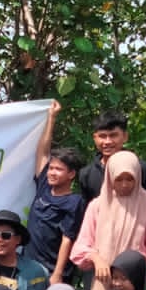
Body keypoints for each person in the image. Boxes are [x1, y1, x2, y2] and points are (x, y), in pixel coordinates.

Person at [71, 150, 146, 290]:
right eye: (119, 179)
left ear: (138, 176)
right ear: (109, 177)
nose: (124, 184)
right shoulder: (97, 205)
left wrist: (145, 272)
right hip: (104, 280)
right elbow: (81, 246)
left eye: (130, 179)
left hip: (136, 286)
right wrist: (97, 259)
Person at [28, 103, 87, 275]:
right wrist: (51, 117)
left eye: (58, 169)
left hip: (52, 269)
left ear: (71, 174)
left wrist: (57, 274)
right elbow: (43, 152)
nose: (52, 172)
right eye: (51, 168)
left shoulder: (74, 202)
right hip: (29, 266)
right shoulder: (44, 186)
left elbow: (67, 239)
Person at [77, 111, 146, 202]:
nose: (107, 142)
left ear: (125, 136)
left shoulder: (141, 169)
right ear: (95, 138)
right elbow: (86, 212)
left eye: (113, 135)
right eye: (102, 136)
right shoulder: (87, 174)